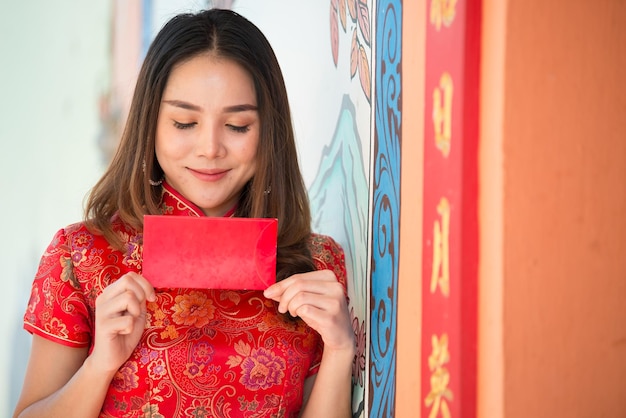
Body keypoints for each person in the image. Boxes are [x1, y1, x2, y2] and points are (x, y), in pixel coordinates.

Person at [13, 8, 355, 418]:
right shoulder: (82, 256)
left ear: (269, 131)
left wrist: (339, 350)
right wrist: (99, 365)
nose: (210, 148)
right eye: (184, 122)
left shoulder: (316, 268)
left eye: (238, 126)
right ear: (151, 124)